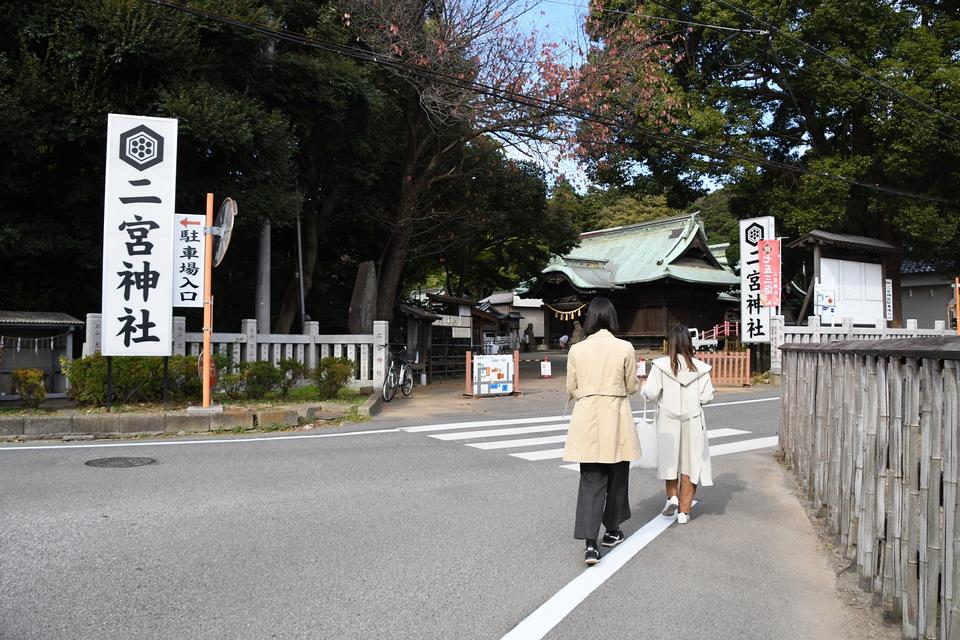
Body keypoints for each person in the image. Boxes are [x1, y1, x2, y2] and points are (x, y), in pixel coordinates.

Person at [562, 297, 641, 565]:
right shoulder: (625, 347)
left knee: (591, 479)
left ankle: (590, 545)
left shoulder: (577, 350)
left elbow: (571, 387)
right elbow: (632, 385)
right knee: (618, 476)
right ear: (612, 317)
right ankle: (612, 530)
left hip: (587, 416)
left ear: (590, 319)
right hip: (615, 414)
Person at [641, 324, 715, 524]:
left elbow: (652, 393)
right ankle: (684, 512)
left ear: (670, 343)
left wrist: (643, 390)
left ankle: (672, 496)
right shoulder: (701, 368)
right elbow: (707, 397)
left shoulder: (661, 366)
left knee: (669, 462)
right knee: (691, 465)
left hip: (667, 419)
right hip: (692, 420)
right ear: (689, 344)